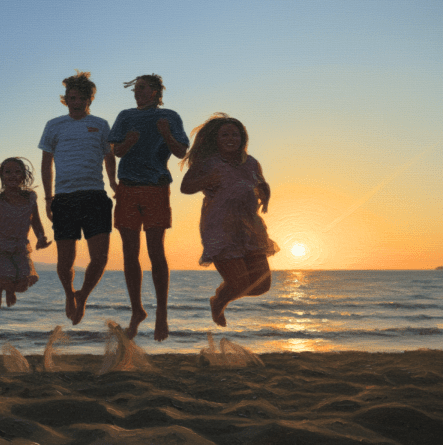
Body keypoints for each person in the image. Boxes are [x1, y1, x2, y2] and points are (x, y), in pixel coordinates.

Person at [108, 74, 189, 341]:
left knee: (156, 251)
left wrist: (165, 133)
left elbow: (180, 153)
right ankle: (137, 311)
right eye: (135, 89)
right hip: (128, 187)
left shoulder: (170, 116)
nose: (137, 92)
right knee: (130, 253)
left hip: (156, 186)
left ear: (154, 91)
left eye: (141, 88)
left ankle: (162, 314)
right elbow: (115, 151)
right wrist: (128, 142)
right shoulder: (125, 116)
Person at [180, 113, 278, 327]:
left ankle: (221, 298)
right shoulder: (207, 162)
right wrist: (207, 179)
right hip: (220, 228)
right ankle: (219, 302)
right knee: (239, 283)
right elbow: (185, 187)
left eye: (235, 134)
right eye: (225, 134)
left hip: (250, 228)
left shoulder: (251, 163)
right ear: (216, 138)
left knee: (262, 285)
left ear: (243, 138)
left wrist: (265, 190)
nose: (231, 138)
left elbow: (259, 183)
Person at [39, 71, 116, 325]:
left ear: (89, 99)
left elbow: (109, 157)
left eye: (81, 98)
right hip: (64, 198)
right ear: (66, 99)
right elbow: (46, 163)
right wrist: (48, 198)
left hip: (95, 195)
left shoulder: (102, 125)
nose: (76, 102)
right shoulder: (54, 125)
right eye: (72, 97)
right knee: (65, 261)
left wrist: (114, 183)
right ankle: (68, 293)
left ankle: (82, 295)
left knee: (100, 257)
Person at [0, 157, 51, 309]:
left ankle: (9, 289)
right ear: (2, 176)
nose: (13, 175)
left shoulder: (30, 199)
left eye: (17, 172)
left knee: (23, 284)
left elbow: (35, 221)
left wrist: (41, 237)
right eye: (8, 172)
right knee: (3, 278)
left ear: (24, 176)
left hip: (20, 247)